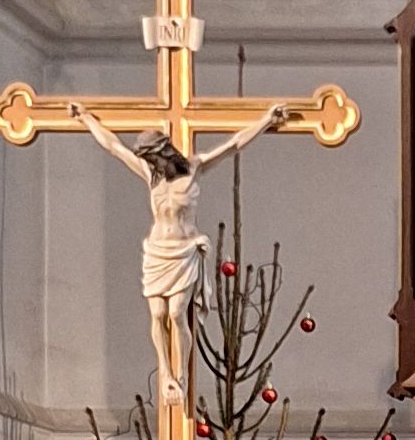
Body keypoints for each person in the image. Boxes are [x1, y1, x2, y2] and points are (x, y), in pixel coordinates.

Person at [76, 103, 281, 406]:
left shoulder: (195, 168)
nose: (150, 163)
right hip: (157, 251)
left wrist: (265, 121)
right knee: (158, 314)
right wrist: (86, 119)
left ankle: (181, 374)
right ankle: (166, 373)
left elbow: (233, 144)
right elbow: (114, 147)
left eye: (153, 157)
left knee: (175, 313)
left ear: (164, 151)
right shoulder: (151, 174)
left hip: (183, 252)